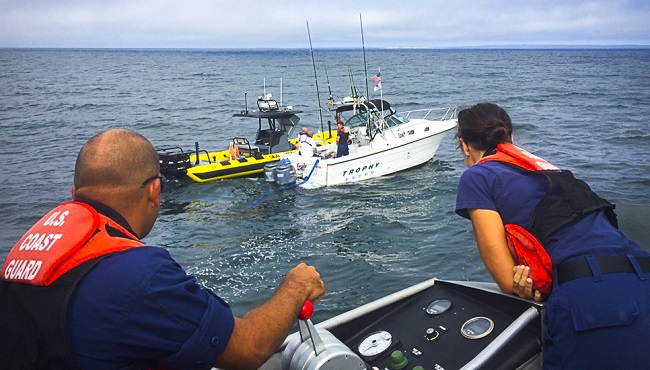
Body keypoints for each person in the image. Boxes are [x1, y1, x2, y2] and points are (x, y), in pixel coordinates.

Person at [0, 128, 326, 370]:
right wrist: (295, 286)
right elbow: (250, 349)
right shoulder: (140, 276)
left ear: (75, 192)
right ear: (155, 191)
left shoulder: (27, 253)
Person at [454, 102, 650, 369]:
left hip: (594, 297)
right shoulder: (546, 168)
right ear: (510, 137)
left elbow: (506, 279)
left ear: (465, 145)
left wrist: (523, 284)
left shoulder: (477, 176)